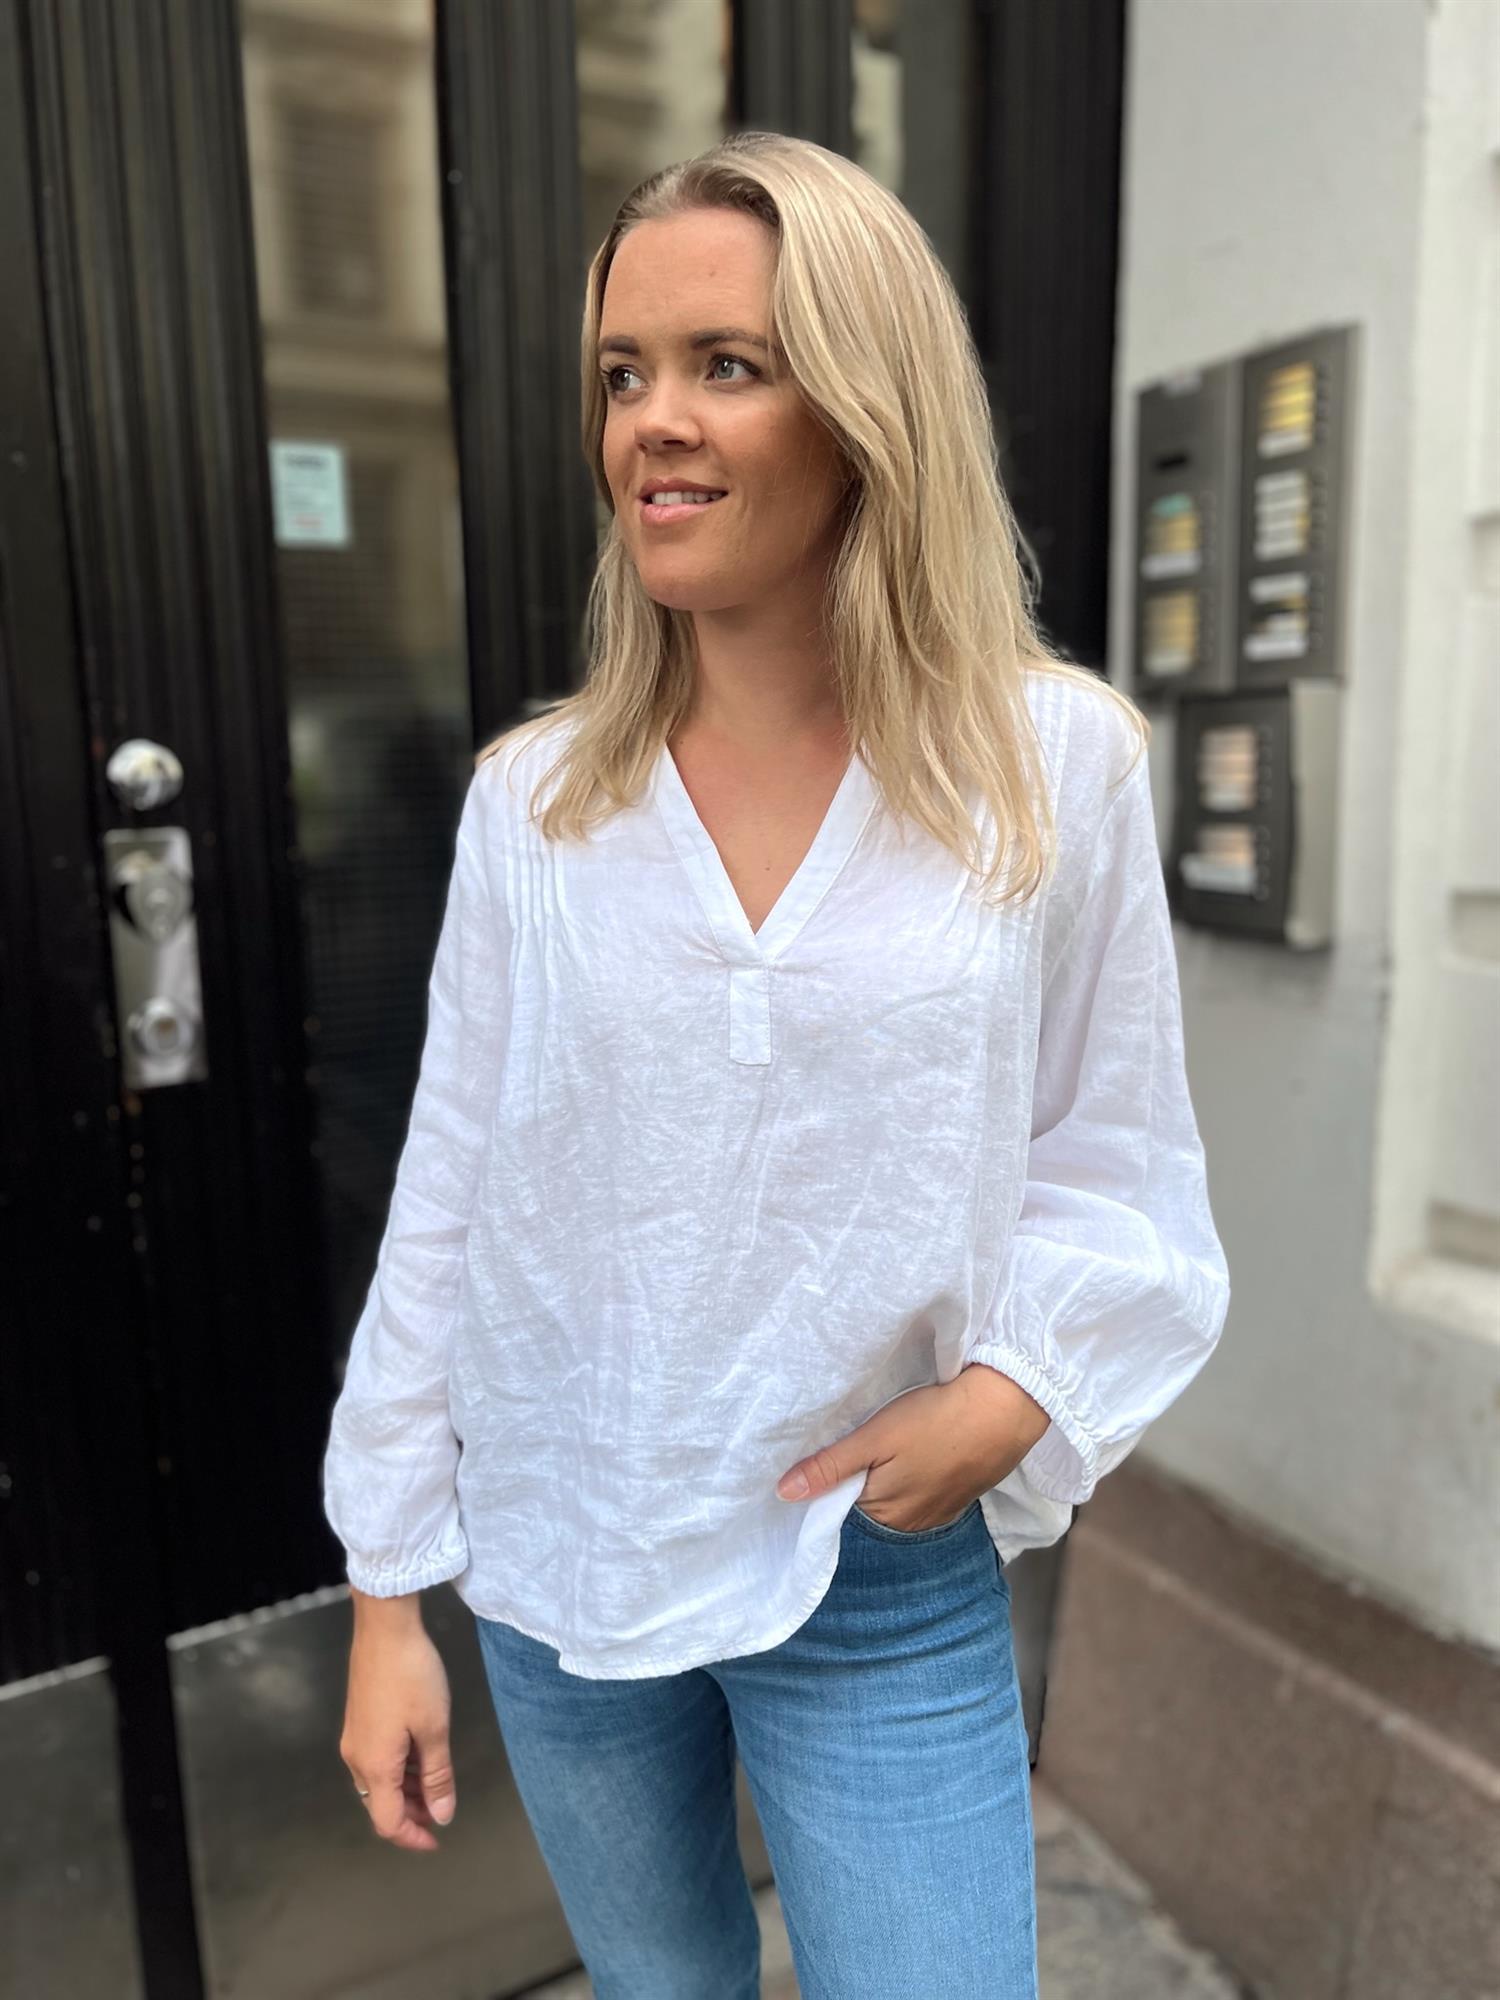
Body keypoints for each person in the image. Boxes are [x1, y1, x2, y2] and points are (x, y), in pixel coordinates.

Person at [325, 130, 1231, 1999]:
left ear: (867, 405)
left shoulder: (1048, 771)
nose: (652, 421)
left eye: (725, 364)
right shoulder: (537, 806)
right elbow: (453, 1194)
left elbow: (1117, 1148)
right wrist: (386, 1591)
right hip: (566, 1549)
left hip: (873, 1565)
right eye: (623, 374)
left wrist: (1020, 1388)